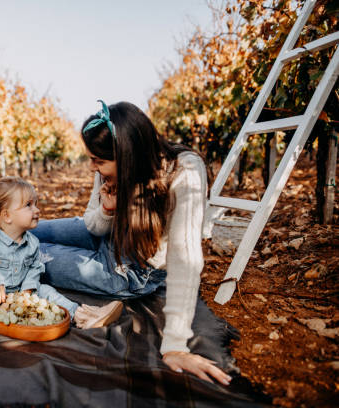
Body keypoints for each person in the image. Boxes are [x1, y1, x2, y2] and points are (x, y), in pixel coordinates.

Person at [31, 101, 232, 386]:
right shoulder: (109, 170)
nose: (92, 168)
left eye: (98, 161)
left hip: (133, 268)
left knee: (28, 251)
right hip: (110, 235)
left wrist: (175, 345)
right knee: (30, 229)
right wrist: (108, 210)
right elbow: (92, 224)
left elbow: (184, 256)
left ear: (127, 158)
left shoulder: (183, 170)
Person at [0, 177, 123, 365]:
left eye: (35, 204)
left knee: (47, 291)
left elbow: (35, 267)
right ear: (6, 215)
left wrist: (29, 288)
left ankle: (81, 315)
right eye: (28, 205)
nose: (36, 210)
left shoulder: (32, 243)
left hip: (20, 293)